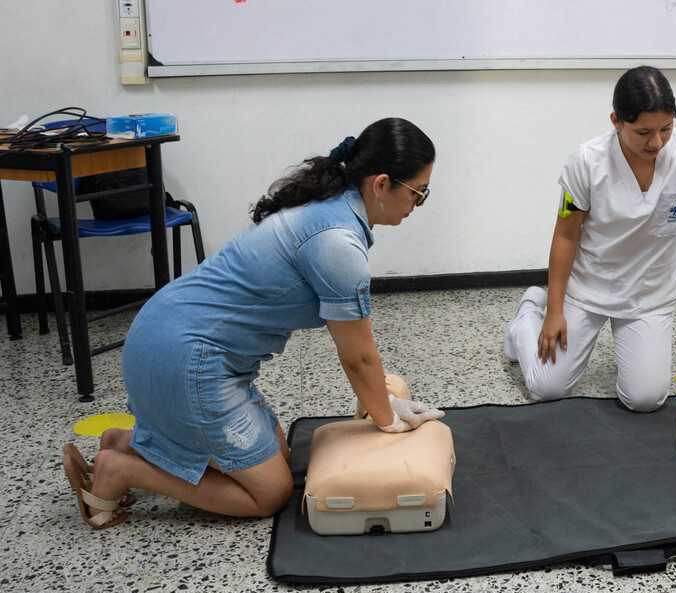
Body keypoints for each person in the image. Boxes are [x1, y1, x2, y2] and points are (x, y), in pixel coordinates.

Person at [62, 118, 445, 529]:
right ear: (382, 183)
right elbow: (359, 359)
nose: (416, 205)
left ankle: (125, 444)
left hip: (167, 338)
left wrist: (385, 407)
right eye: (418, 193)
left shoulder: (326, 206)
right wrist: (389, 419)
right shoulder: (336, 241)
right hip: (186, 359)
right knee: (270, 493)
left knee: (278, 457)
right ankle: (122, 472)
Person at [504, 66, 676, 412]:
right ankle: (527, 316)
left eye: (666, 128)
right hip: (588, 290)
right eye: (643, 132)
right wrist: (554, 310)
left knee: (644, 399)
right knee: (547, 387)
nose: (656, 142)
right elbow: (565, 237)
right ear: (616, 121)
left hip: (649, 297)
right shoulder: (587, 162)